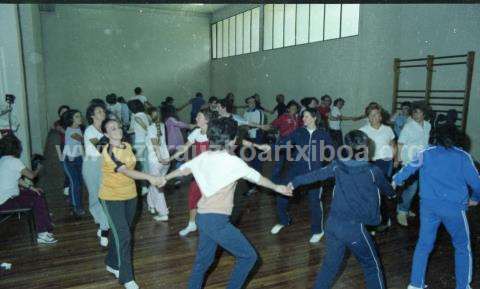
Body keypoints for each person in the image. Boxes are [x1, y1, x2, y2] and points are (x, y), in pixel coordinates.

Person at [157, 117, 291, 289]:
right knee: (249, 257)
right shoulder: (234, 162)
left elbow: (183, 169)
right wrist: (278, 188)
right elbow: (257, 178)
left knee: (203, 263)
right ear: (232, 140)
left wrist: (164, 178)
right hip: (216, 221)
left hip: (203, 217)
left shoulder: (204, 156)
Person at [288, 130, 396, 289]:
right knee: (372, 267)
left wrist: (294, 182)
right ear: (365, 149)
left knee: (329, 267)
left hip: (332, 225)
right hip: (353, 229)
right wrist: (393, 191)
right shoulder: (373, 171)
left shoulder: (337, 166)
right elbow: (388, 191)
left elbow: (315, 175)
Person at [392, 124, 480, 289]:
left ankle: (416, 284)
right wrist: (475, 198)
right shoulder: (463, 156)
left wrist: (396, 180)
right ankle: (463, 286)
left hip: (428, 207)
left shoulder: (425, 153)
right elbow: (477, 184)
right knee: (462, 246)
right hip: (454, 209)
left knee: (424, 244)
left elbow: (406, 170)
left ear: (434, 137)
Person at [99, 119, 163, 289]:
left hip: (130, 196)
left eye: (118, 127)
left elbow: (133, 166)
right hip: (111, 198)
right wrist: (150, 177)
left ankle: (112, 263)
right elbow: (127, 171)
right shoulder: (108, 152)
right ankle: (127, 277)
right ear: (106, 134)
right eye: (112, 129)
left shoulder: (127, 146)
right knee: (124, 235)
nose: (117, 130)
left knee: (120, 233)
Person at [271, 108, 334, 244]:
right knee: (282, 194)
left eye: (306, 116)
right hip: (297, 170)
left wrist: (327, 166)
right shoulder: (299, 132)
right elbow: (284, 142)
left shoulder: (323, 134)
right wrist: (270, 147)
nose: (303, 119)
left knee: (314, 202)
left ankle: (318, 230)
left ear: (314, 117)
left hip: (315, 173)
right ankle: (284, 221)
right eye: (303, 117)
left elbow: (332, 152)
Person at [167, 109, 218, 236]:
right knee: (193, 196)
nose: (196, 119)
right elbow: (184, 147)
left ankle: (214, 226)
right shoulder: (196, 132)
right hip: (198, 171)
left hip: (212, 172)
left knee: (211, 199)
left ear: (207, 120)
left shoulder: (214, 134)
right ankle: (192, 224)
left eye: (198, 117)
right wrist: (170, 159)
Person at [0, 134, 57, 244]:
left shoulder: (2, 160)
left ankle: (45, 224)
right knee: (37, 199)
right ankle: (42, 234)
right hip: (6, 200)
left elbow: (16, 179)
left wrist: (31, 187)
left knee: (37, 193)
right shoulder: (14, 161)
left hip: (5, 197)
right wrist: (38, 169)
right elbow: (31, 176)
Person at [396, 101, 432, 226]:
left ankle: (405, 208)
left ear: (425, 113)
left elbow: (426, 143)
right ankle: (401, 211)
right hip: (409, 161)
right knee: (412, 188)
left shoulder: (428, 125)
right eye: (415, 112)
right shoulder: (408, 126)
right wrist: (398, 159)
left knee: (417, 188)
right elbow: (400, 144)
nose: (417, 115)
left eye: (420, 112)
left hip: (423, 160)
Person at [83, 103, 110, 247]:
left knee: (104, 195)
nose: (103, 112)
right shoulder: (89, 131)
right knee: (94, 197)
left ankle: (104, 228)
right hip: (92, 165)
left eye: (103, 110)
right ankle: (102, 224)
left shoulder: (105, 130)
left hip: (103, 164)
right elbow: (100, 148)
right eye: (99, 111)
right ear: (92, 116)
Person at [145, 107, 170, 221]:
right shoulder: (162, 125)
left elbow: (155, 143)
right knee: (154, 183)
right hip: (166, 159)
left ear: (150, 116)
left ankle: (163, 212)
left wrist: (159, 157)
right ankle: (151, 204)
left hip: (157, 160)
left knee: (156, 186)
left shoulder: (151, 127)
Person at [270, 100, 302, 183]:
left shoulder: (298, 118)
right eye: (292, 108)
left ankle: (289, 183)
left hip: (294, 143)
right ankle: (273, 183)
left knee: (292, 164)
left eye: (296, 108)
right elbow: (273, 125)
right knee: (279, 164)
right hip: (283, 141)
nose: (294, 109)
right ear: (288, 109)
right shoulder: (283, 117)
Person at [61, 109, 85, 217]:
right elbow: (83, 140)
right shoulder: (71, 131)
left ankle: (72, 201)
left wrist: (84, 158)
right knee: (75, 183)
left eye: (80, 116)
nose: (80, 118)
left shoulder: (78, 128)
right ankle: (77, 207)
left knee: (78, 183)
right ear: (71, 119)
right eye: (77, 116)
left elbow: (80, 146)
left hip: (78, 158)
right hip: (68, 160)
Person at [243, 95, 267, 195]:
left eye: (253, 102)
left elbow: (260, 126)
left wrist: (249, 128)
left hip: (257, 138)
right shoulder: (246, 112)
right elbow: (243, 123)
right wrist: (246, 129)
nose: (251, 103)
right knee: (250, 162)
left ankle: (256, 186)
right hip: (248, 138)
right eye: (249, 102)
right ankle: (253, 186)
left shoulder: (260, 112)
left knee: (257, 162)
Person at [128, 99, 151, 196]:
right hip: (146, 142)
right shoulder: (146, 115)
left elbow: (131, 130)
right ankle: (149, 186)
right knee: (146, 165)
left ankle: (144, 187)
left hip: (139, 143)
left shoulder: (135, 116)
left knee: (138, 166)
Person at [52, 105, 70, 196]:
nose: (64, 114)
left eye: (66, 111)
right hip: (64, 146)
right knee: (66, 166)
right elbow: (65, 132)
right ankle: (67, 186)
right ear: (59, 114)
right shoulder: (58, 123)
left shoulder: (73, 122)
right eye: (62, 112)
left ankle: (69, 186)